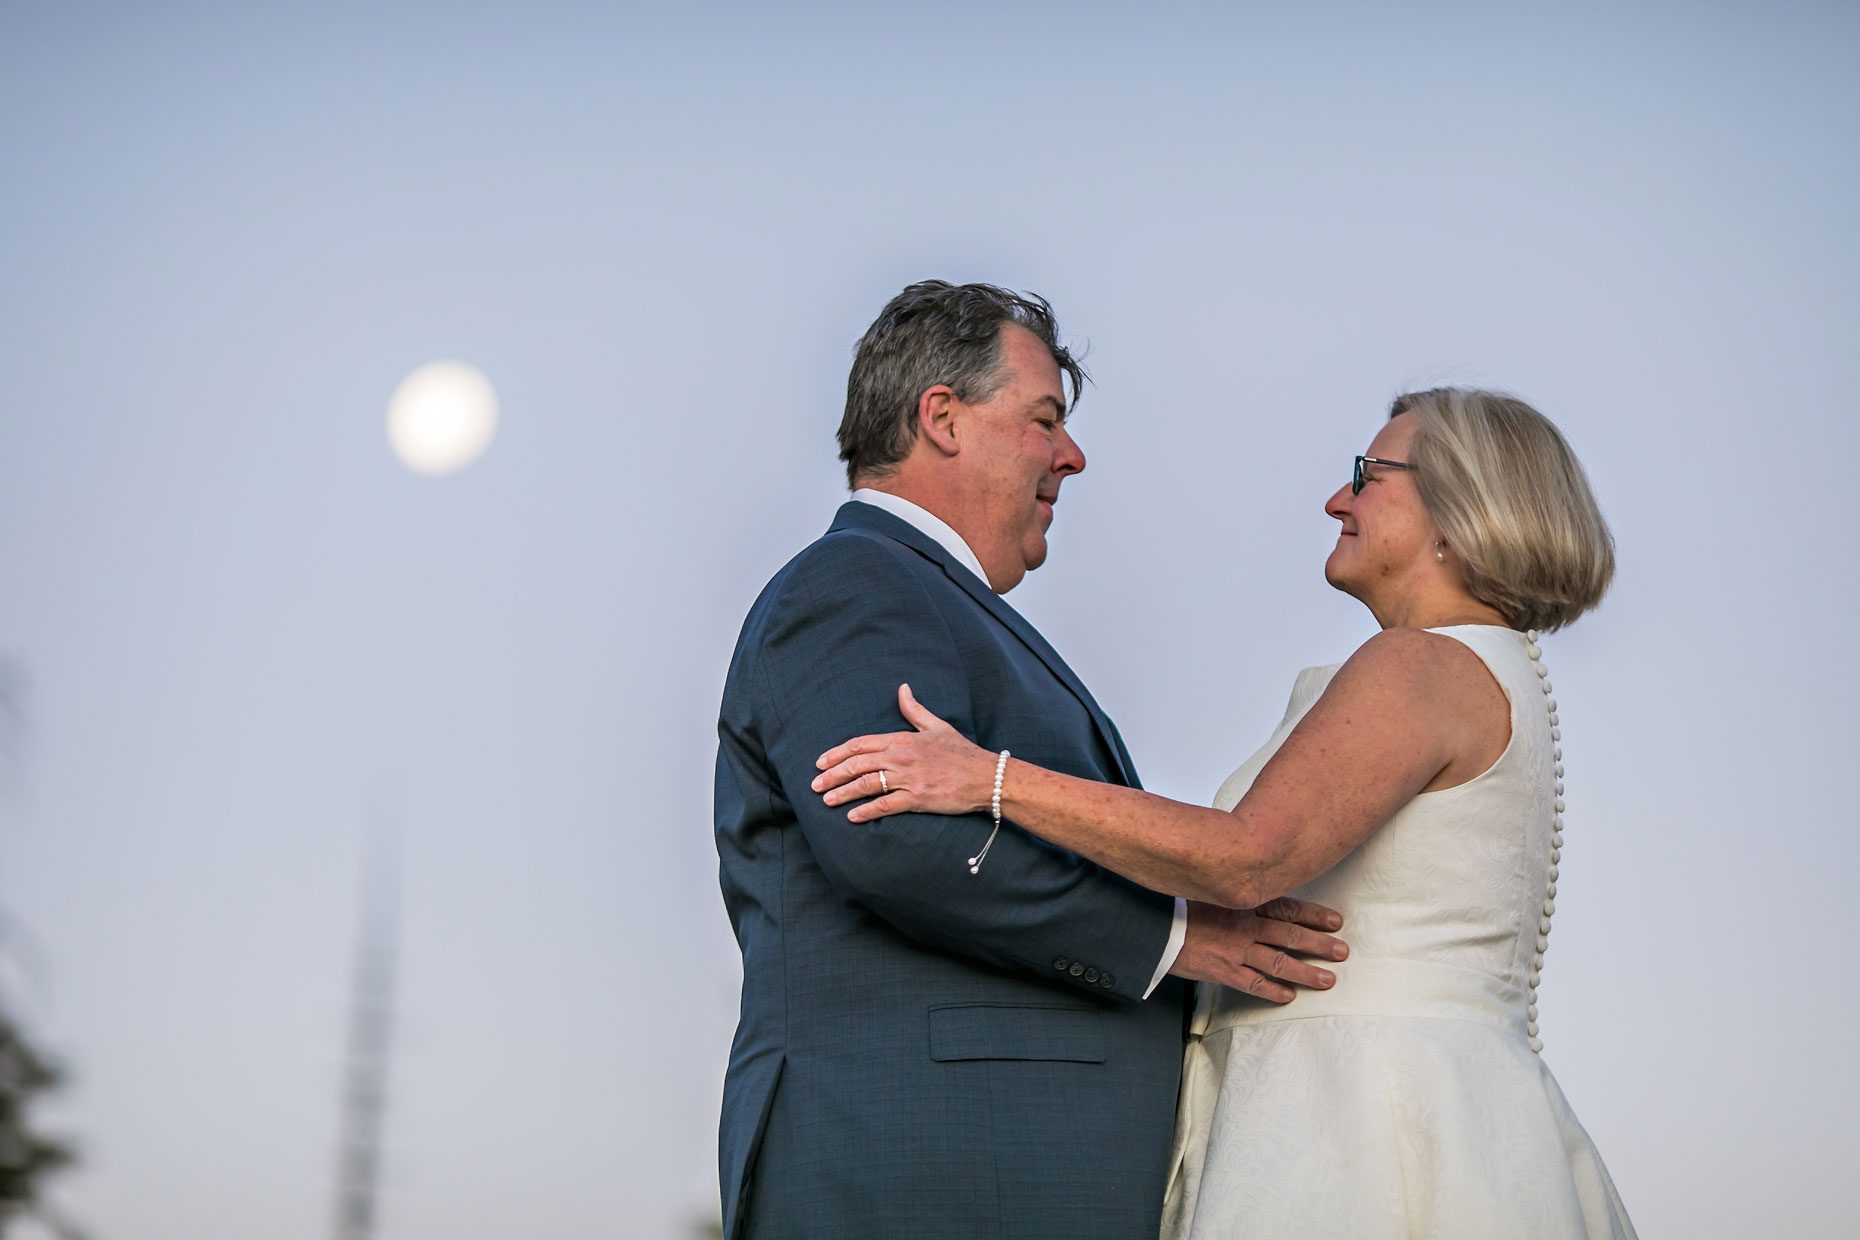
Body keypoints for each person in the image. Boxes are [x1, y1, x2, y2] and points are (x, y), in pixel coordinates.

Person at [813, 387, 1638, 1238]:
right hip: (1434, 1109)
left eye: (1370, 474)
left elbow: (1246, 857)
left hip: (1360, 1124)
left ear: (1459, 510)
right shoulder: (1486, 672)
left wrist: (990, 779)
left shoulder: (1418, 667)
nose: (1337, 499)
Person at [714, 280, 1349, 1240]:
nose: (1073, 455)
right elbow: (893, 842)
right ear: (943, 418)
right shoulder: (857, 585)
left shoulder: (933, 603)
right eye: (1045, 419)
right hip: (924, 1167)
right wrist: (1174, 940)